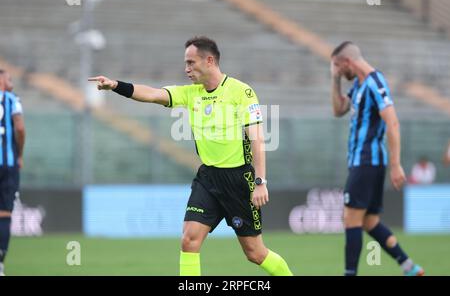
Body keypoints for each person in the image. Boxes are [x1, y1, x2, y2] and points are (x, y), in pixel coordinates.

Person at [89, 36, 293, 276]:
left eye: (191, 63)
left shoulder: (241, 92)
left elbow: (257, 139)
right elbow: (154, 94)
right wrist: (115, 85)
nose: (186, 69)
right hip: (208, 178)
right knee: (189, 240)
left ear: (209, 61)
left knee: (255, 253)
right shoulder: (191, 93)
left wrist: (260, 182)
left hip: (239, 181)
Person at [330, 42, 424, 276]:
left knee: (350, 218)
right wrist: (335, 80)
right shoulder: (360, 86)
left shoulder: (374, 82)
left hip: (367, 162)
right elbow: (338, 109)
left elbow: (392, 122)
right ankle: (408, 266)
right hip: (362, 163)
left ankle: (349, 273)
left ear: (348, 62)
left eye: (338, 67)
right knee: (369, 221)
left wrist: (396, 165)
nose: (339, 71)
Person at [0, 69, 25, 276]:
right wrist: (19, 154)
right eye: (9, 79)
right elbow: (20, 127)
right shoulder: (11, 99)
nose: (12, 83)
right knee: (4, 214)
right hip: (7, 165)